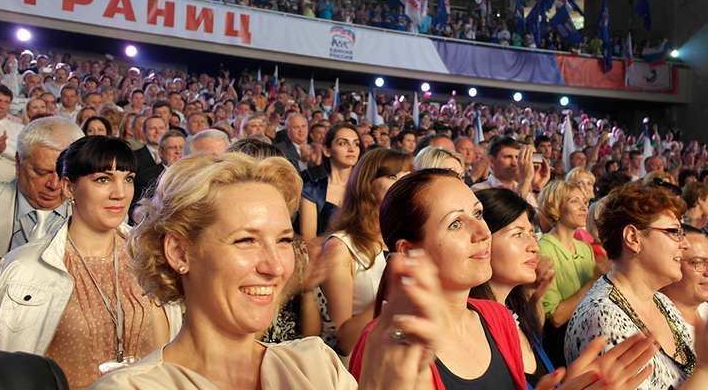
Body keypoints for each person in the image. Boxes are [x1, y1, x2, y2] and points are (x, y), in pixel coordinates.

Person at [90, 152, 443, 390]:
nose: (275, 267)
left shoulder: (317, 368)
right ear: (180, 251)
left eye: (284, 239)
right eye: (246, 240)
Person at [351, 169, 661, 390]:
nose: (483, 232)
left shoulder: (497, 317)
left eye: (479, 214)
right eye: (456, 223)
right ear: (409, 250)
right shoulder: (388, 343)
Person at [0, 136, 181, 389]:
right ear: (68, 187)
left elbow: (168, 353)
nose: (120, 193)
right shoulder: (23, 268)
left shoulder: (150, 256)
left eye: (128, 179)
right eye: (103, 179)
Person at [566, 182, 708, 390]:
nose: (685, 244)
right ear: (633, 238)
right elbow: (706, 375)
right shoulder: (603, 316)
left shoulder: (661, 302)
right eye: (674, 232)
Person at [320, 148, 412, 356]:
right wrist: (389, 296)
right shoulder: (341, 246)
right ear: (367, 184)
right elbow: (342, 341)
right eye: (392, 176)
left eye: (407, 176)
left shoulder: (410, 240)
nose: (403, 183)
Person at [0, 117, 84, 276]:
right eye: (41, 173)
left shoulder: (101, 214)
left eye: (64, 175)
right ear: (19, 162)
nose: (54, 185)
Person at [538, 180, 608, 367]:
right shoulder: (543, 249)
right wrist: (594, 280)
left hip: (591, 338)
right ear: (556, 206)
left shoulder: (585, 248)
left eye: (584, 201)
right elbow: (556, 318)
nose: (584, 207)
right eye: (574, 201)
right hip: (561, 346)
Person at [298, 123, 361, 241]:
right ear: (327, 151)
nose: (352, 149)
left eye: (356, 143)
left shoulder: (367, 187)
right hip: (324, 255)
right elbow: (309, 240)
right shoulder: (313, 190)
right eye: (343, 143)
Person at [0, 83, 24, 184]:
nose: (2, 106)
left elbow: (25, 159)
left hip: (6, 187)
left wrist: (3, 149)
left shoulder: (19, 129)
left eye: (7, 102)